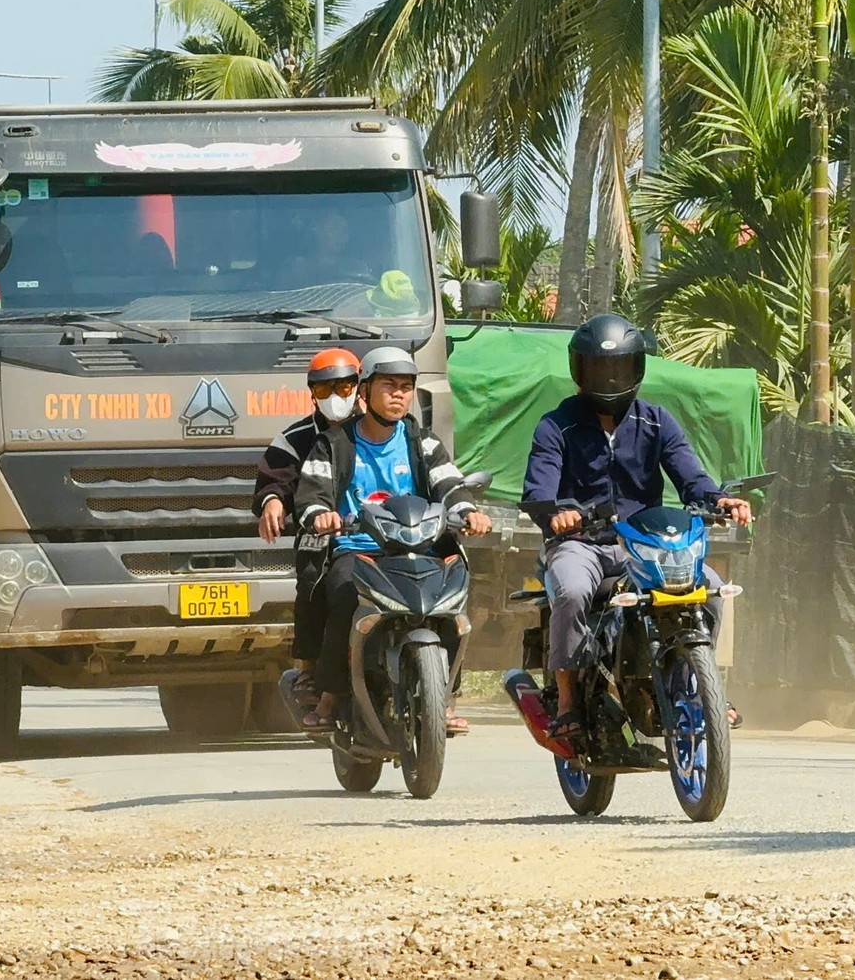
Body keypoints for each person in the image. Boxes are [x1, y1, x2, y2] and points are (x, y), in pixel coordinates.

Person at [521, 314, 752, 751]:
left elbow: (692, 479)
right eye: (598, 369)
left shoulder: (657, 422)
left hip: (643, 543)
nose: (609, 378)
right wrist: (557, 514)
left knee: (711, 588)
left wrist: (721, 501)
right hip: (581, 543)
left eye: (620, 368)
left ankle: (699, 686)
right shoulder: (557, 425)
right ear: (579, 371)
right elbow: (539, 488)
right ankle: (568, 700)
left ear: (638, 369)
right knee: (569, 591)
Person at [292, 347, 493, 733]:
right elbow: (311, 494)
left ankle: (444, 698)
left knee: (452, 603)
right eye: (389, 386)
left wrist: (467, 512)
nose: (399, 394)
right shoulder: (333, 444)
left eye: (406, 387)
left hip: (420, 549)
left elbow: (448, 484)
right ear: (364, 391)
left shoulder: (423, 442)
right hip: (360, 552)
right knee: (344, 596)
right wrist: (321, 516)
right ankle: (331, 695)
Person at [252, 348, 362, 706]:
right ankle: (310, 669)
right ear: (311, 392)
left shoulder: (383, 430)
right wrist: (272, 501)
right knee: (313, 580)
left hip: (384, 535)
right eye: (324, 389)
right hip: (325, 534)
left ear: (360, 387)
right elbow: (275, 478)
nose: (335, 397)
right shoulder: (295, 437)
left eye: (344, 388)